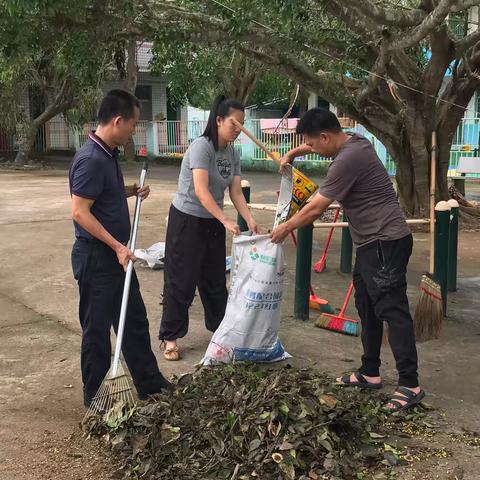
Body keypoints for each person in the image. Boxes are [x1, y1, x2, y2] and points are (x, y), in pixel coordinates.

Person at [271, 108, 425, 412]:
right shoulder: (355, 140)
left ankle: (410, 383)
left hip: (385, 242)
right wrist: (293, 152)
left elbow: (316, 208)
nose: (312, 150)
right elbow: (314, 143)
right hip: (371, 244)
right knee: (367, 305)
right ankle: (370, 372)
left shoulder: (346, 161)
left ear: (326, 137)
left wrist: (285, 227)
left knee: (392, 310)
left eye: (314, 145)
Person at [69, 89, 170, 407]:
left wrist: (129, 190)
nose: (134, 131)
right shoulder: (90, 159)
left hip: (115, 255)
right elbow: (79, 212)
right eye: (134, 124)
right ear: (117, 121)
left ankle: (149, 384)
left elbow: (102, 195)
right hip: (98, 256)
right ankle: (95, 399)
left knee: (133, 320)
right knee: (97, 330)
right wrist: (116, 246)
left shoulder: (107, 154)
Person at [159, 95, 259, 361]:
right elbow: (202, 192)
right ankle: (170, 337)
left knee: (214, 280)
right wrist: (225, 220)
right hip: (187, 219)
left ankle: (221, 332)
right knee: (182, 280)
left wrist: (248, 218)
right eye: (234, 124)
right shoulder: (202, 148)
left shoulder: (232, 153)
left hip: (212, 222)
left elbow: (236, 191)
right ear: (218, 120)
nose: (238, 129)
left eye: (242, 125)